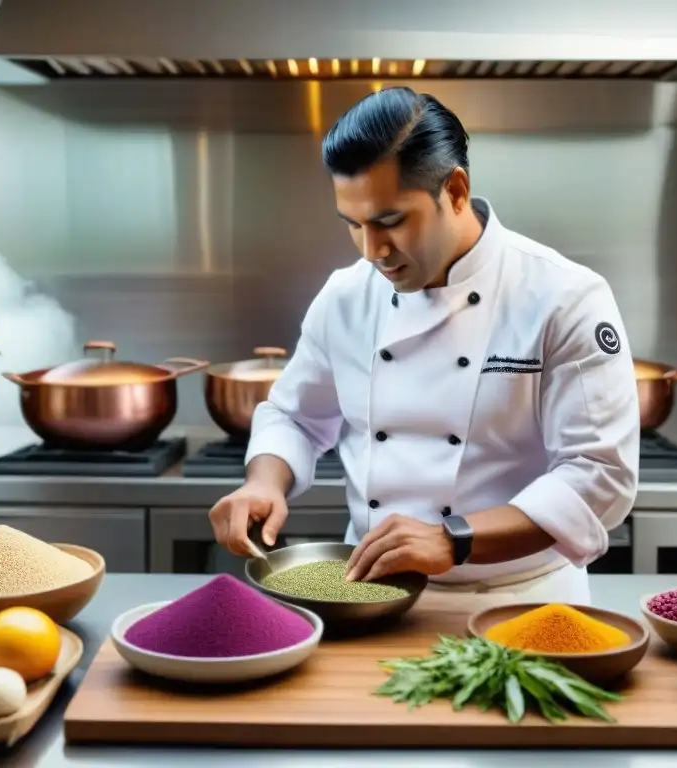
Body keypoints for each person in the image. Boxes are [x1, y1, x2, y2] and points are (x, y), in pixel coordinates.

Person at [209, 86, 640, 604]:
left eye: (390, 222)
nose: (373, 251)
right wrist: (264, 483)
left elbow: (599, 477)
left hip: (521, 600)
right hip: (366, 594)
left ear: (455, 190)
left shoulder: (564, 298)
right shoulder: (346, 297)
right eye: (354, 225)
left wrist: (453, 538)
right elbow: (294, 416)